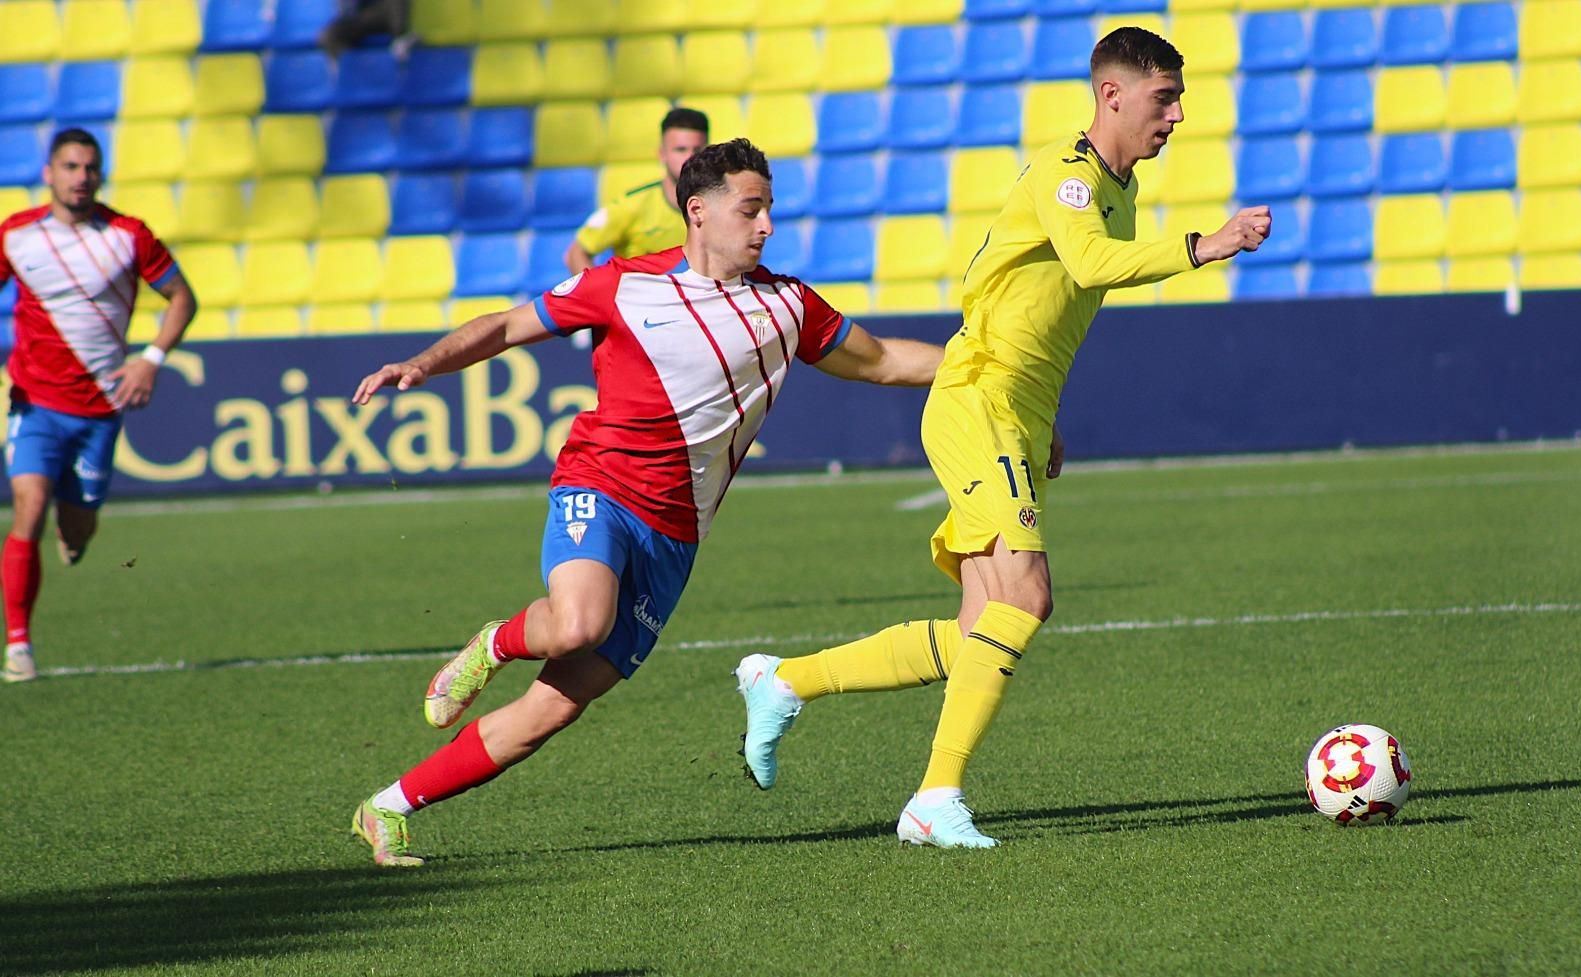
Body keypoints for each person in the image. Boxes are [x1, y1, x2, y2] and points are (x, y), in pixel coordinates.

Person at [734, 27, 1273, 848]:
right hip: (978, 400)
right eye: (1164, 98)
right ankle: (934, 798)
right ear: (1112, 95)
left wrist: (1043, 417)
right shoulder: (1069, 175)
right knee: (1026, 597)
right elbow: (1089, 264)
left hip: (1011, 409)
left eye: (1179, 100)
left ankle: (786, 680)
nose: (1176, 116)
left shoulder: (1118, 187)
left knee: (979, 630)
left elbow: (1046, 308)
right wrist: (1207, 245)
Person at [348, 138, 945, 867]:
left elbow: (883, 361)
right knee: (579, 622)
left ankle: (388, 807)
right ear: (698, 211)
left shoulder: (788, 305)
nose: (766, 226)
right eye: (750, 209)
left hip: (677, 536)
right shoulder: (623, 285)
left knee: (552, 709)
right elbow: (509, 324)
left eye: (769, 210)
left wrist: (992, 367)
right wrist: (422, 362)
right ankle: (498, 642)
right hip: (599, 485)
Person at [0, 128, 198, 683]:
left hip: (99, 409)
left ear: (101, 174)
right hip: (35, 401)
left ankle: (77, 533)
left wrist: (150, 359)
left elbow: (182, 297)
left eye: (90, 167)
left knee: (77, 526)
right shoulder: (16, 235)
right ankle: (19, 644)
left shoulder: (128, 236)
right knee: (29, 507)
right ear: (49, 173)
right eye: (70, 167)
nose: (81, 177)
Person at [563, 107, 710, 276]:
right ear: (662, 154)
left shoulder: (719, 205)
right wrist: (599, 290)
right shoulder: (631, 205)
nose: (689, 158)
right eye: (680, 149)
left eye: (697, 150)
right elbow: (575, 253)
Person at [321, 0, 414, 60]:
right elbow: (345, 10)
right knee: (331, 34)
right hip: (364, 15)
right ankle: (340, 76)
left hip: (388, 14)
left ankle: (400, 37)